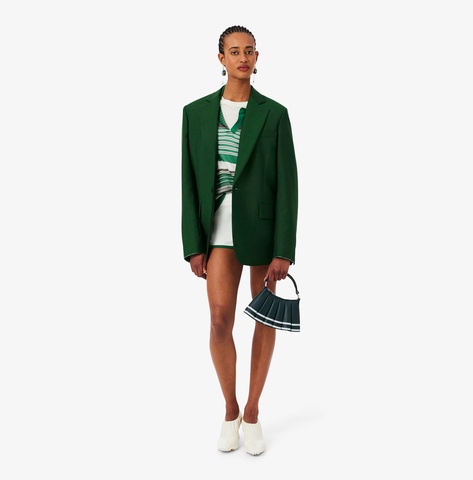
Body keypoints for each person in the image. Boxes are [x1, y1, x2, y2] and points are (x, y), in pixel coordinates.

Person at [181, 25, 298, 455]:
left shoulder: (274, 113)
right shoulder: (195, 113)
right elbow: (188, 183)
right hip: (216, 231)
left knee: (263, 318)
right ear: (221, 59)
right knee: (219, 321)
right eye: (234, 51)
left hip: (263, 230)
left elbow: (288, 185)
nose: (242, 58)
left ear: (256, 57)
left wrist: (284, 249)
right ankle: (230, 408)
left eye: (249, 51)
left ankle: (252, 412)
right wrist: (193, 243)